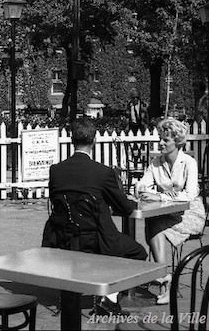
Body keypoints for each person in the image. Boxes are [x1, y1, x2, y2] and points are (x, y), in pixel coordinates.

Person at [43, 118, 146, 315]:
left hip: (64, 238)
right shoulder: (103, 172)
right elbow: (125, 208)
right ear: (94, 141)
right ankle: (109, 298)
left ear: (72, 140)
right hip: (96, 239)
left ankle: (74, 291)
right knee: (137, 252)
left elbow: (60, 202)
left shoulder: (56, 171)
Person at [135, 117, 206, 305]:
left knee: (154, 223)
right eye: (160, 138)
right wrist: (147, 191)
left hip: (189, 213)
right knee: (154, 221)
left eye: (165, 140)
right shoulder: (156, 163)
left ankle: (163, 279)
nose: (160, 143)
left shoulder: (189, 162)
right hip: (165, 212)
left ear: (177, 141)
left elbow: (190, 194)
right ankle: (164, 280)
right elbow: (142, 186)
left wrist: (160, 197)